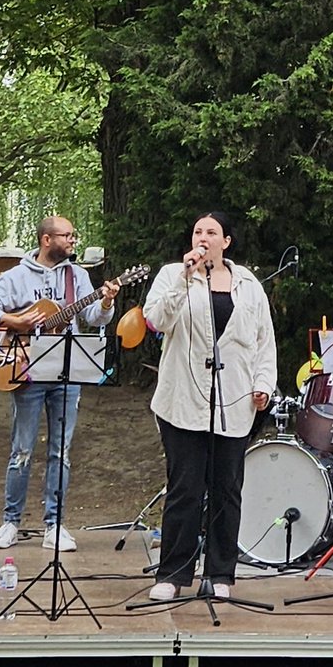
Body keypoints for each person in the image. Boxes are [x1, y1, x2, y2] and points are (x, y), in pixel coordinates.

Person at [143, 211, 277, 601]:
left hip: (234, 401)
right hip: (182, 399)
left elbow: (263, 341)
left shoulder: (249, 284)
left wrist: (263, 384)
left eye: (211, 232)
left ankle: (221, 572)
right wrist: (185, 278)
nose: (203, 237)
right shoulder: (172, 274)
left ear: (226, 242)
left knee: (226, 490)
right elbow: (156, 320)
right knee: (184, 488)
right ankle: (172, 573)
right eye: (198, 230)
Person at [0, 217, 120, 552]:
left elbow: (93, 318)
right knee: (22, 449)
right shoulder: (15, 277)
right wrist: (15, 320)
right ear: (45, 239)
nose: (73, 240)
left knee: (61, 451)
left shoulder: (78, 276)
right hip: (26, 370)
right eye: (67, 235)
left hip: (66, 372)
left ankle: (54, 524)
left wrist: (107, 302)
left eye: (73, 234)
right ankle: (11, 521)